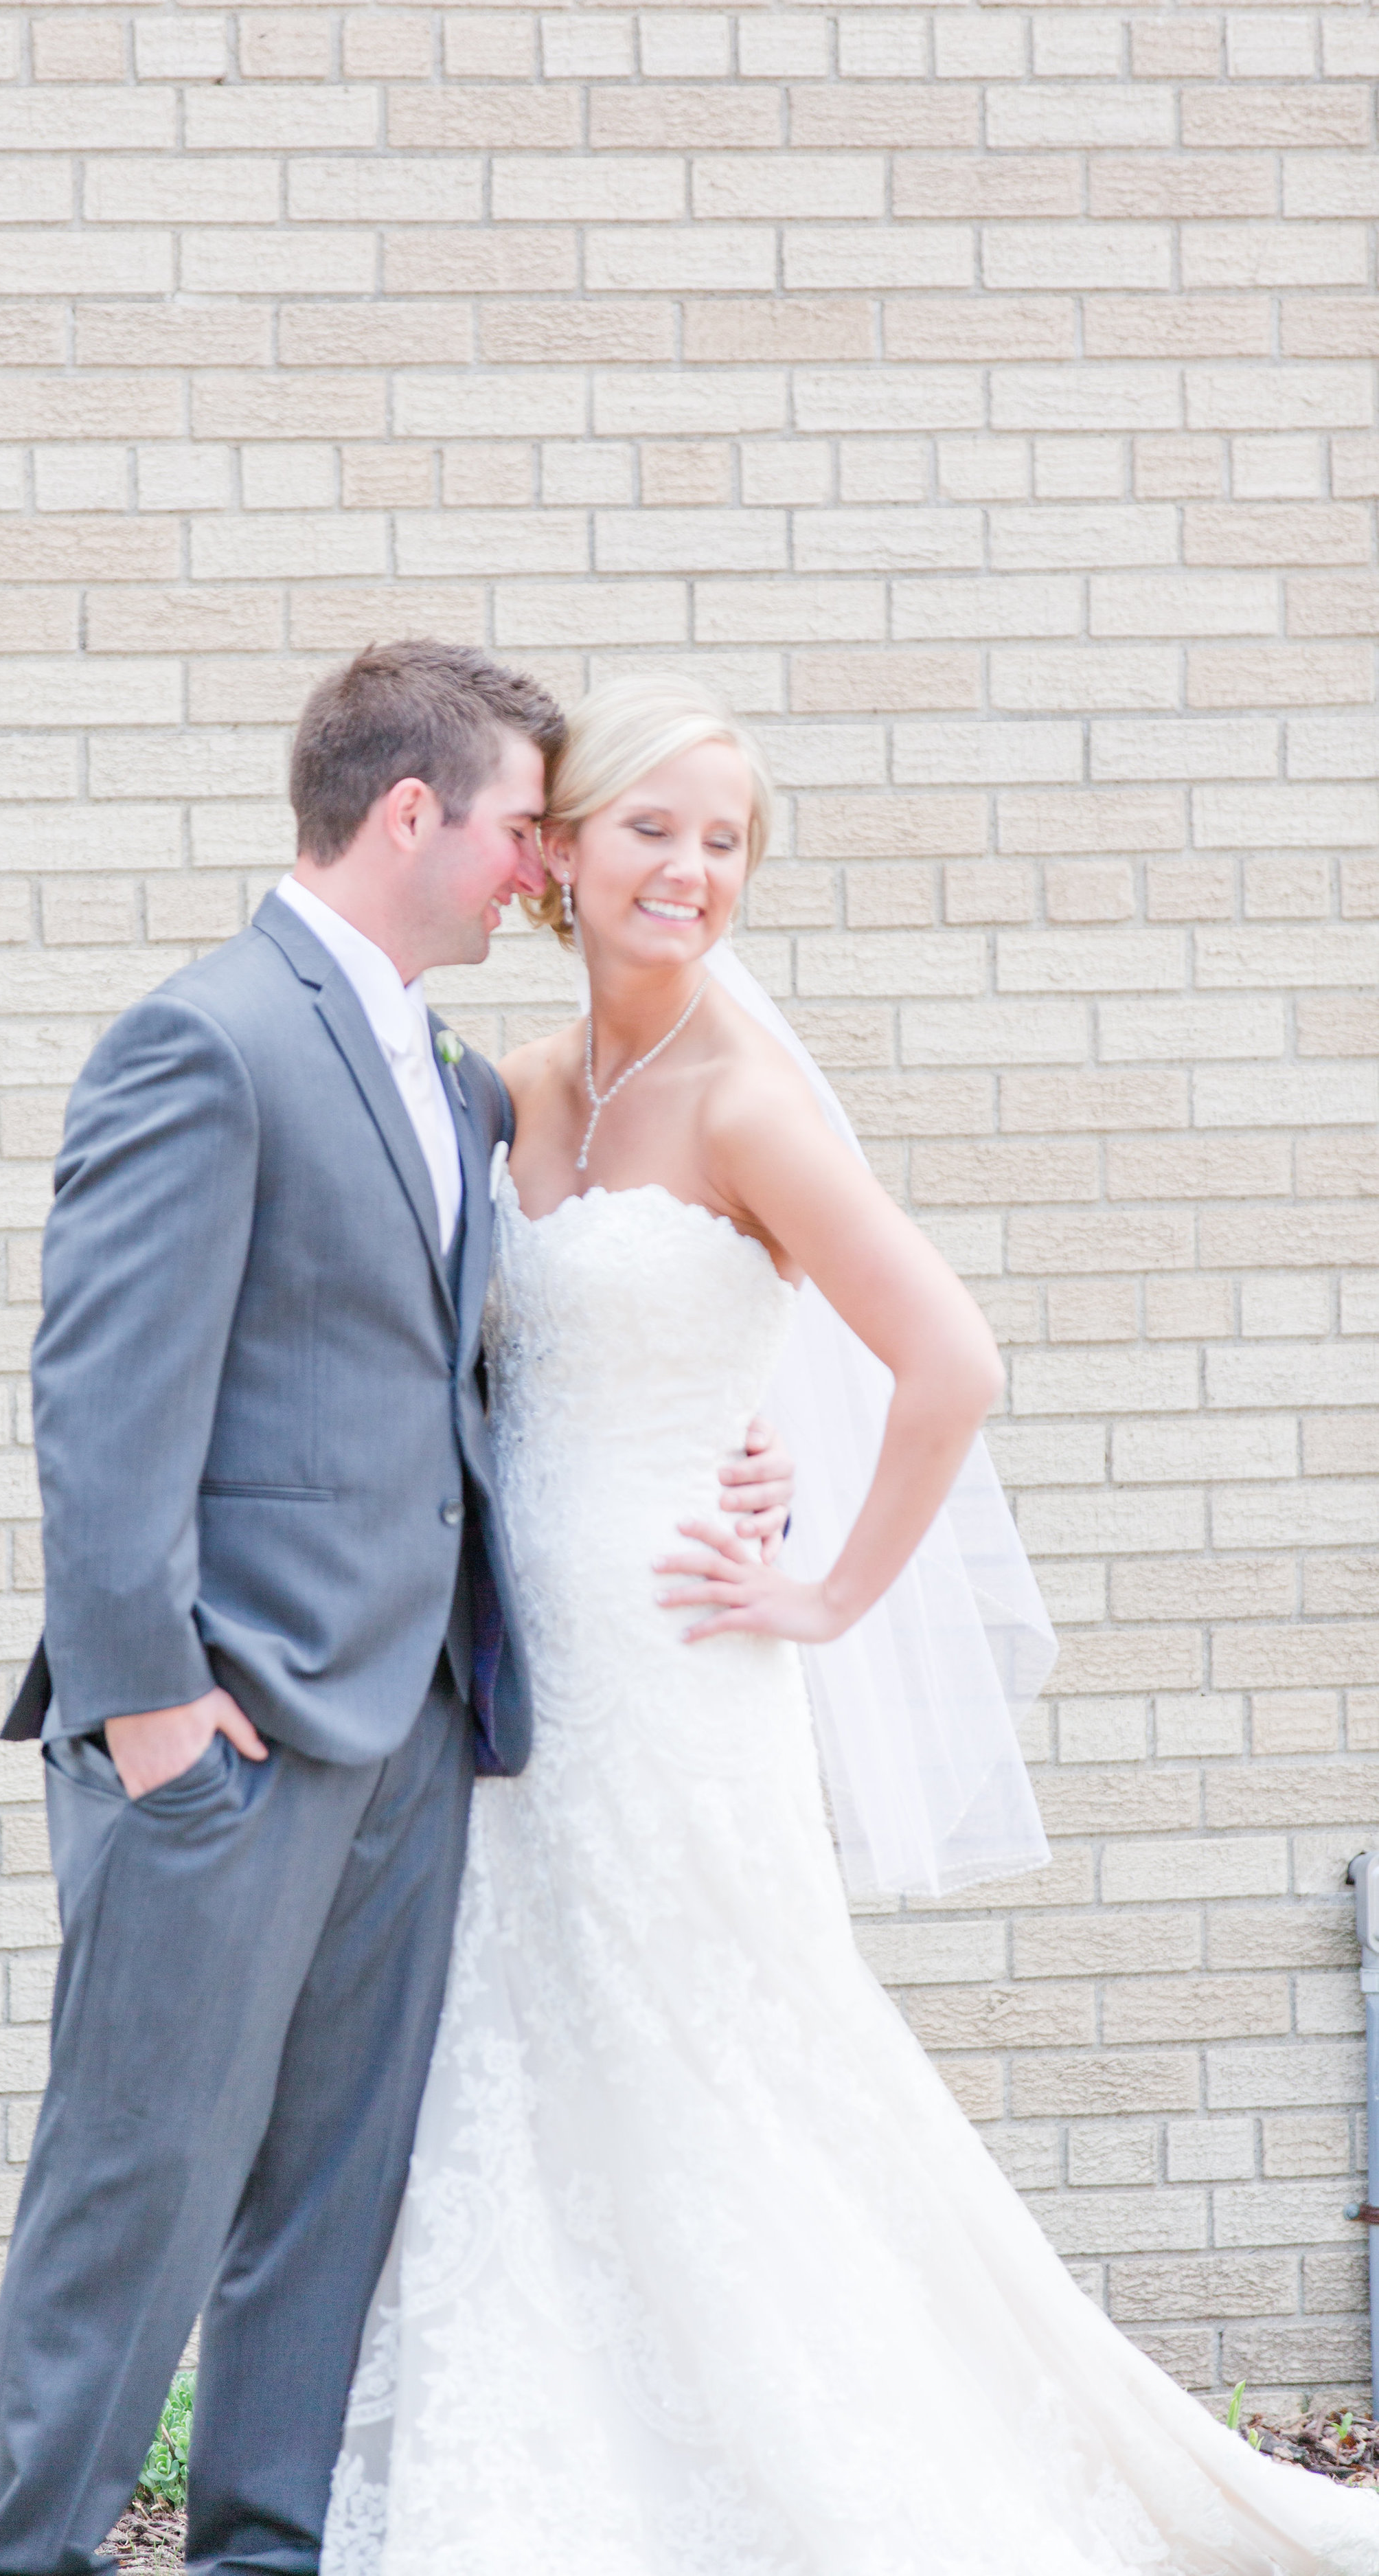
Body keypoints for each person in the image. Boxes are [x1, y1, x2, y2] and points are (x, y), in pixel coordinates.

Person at [323, 675, 1379, 2576]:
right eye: (655, 827)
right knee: (546, 2062)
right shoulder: (526, 1087)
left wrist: (816, 1585)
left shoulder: (742, 1097)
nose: (691, 869)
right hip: (514, 1690)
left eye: (724, 840)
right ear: (557, 854)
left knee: (727, 2063)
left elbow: (947, 1361)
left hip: (678, 1667)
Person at [0, 642, 796, 2576]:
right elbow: (99, 1413)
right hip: (223, 1737)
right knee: (140, 2185)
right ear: (411, 813)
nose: (537, 867)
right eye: (522, 827)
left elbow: (498, 1375)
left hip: (421, 1724)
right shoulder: (206, 1041)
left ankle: (262, 2549)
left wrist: (742, 1464)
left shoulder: (448, 1075)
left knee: (333, 2199)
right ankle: (37, 2557)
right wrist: (150, 1710)